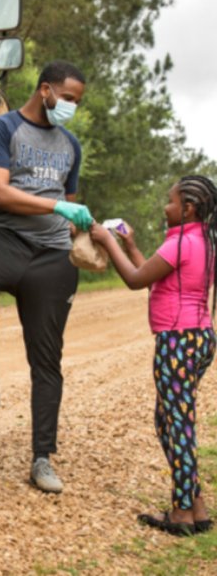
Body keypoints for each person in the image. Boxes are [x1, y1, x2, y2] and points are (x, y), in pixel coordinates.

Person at [0, 60, 94, 493]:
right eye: (67, 98)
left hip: (53, 259)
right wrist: (56, 207)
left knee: (47, 362)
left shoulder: (71, 146)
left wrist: (83, 227)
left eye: (77, 102)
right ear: (45, 90)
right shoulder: (1, 130)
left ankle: (42, 459)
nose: (71, 107)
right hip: (0, 241)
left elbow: (70, 205)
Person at [90, 176, 217, 536]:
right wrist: (129, 244)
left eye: (171, 200)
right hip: (200, 338)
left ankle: (181, 514)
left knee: (177, 424)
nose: (166, 206)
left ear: (188, 208)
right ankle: (197, 506)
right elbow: (151, 277)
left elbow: (132, 280)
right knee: (170, 420)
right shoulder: (202, 241)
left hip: (177, 342)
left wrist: (106, 241)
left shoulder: (181, 243)